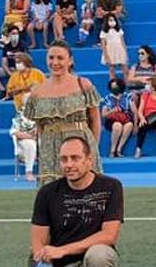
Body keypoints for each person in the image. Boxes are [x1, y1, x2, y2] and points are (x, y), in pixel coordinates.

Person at [32, 136, 124, 267]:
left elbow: (110, 235)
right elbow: (38, 246)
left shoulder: (111, 187)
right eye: (64, 159)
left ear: (89, 160)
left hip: (95, 261)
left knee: (99, 254)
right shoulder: (47, 193)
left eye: (75, 158)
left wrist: (63, 249)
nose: (69, 164)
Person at [25, 42, 102, 185]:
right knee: (53, 197)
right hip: (50, 149)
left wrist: (91, 150)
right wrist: (44, 150)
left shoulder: (83, 84)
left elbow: (95, 120)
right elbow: (40, 127)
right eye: (51, 58)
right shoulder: (37, 91)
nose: (55, 62)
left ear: (70, 61)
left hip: (80, 144)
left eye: (60, 58)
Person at [135, 77, 156, 158]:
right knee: (142, 126)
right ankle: (138, 149)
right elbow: (140, 110)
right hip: (148, 118)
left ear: (153, 87)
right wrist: (142, 118)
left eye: (148, 85)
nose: (146, 86)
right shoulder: (145, 95)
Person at [102, 78, 136, 158]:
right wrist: (112, 110)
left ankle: (119, 149)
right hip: (112, 120)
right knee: (117, 126)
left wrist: (136, 125)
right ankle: (112, 150)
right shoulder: (107, 98)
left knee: (129, 125)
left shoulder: (128, 96)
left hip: (126, 118)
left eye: (116, 87)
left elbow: (135, 112)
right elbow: (103, 114)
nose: (114, 89)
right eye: (112, 87)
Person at [11, 97, 38, 182]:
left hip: (39, 139)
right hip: (24, 141)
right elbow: (14, 132)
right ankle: (29, 172)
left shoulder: (40, 114)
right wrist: (29, 136)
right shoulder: (20, 115)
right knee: (30, 144)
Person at [100, 13, 129, 80]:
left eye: (113, 20)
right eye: (110, 20)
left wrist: (125, 52)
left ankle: (127, 84)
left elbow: (123, 42)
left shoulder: (119, 30)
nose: (112, 22)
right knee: (112, 70)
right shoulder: (104, 32)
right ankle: (113, 85)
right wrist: (106, 56)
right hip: (110, 51)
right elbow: (103, 44)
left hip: (120, 50)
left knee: (125, 69)